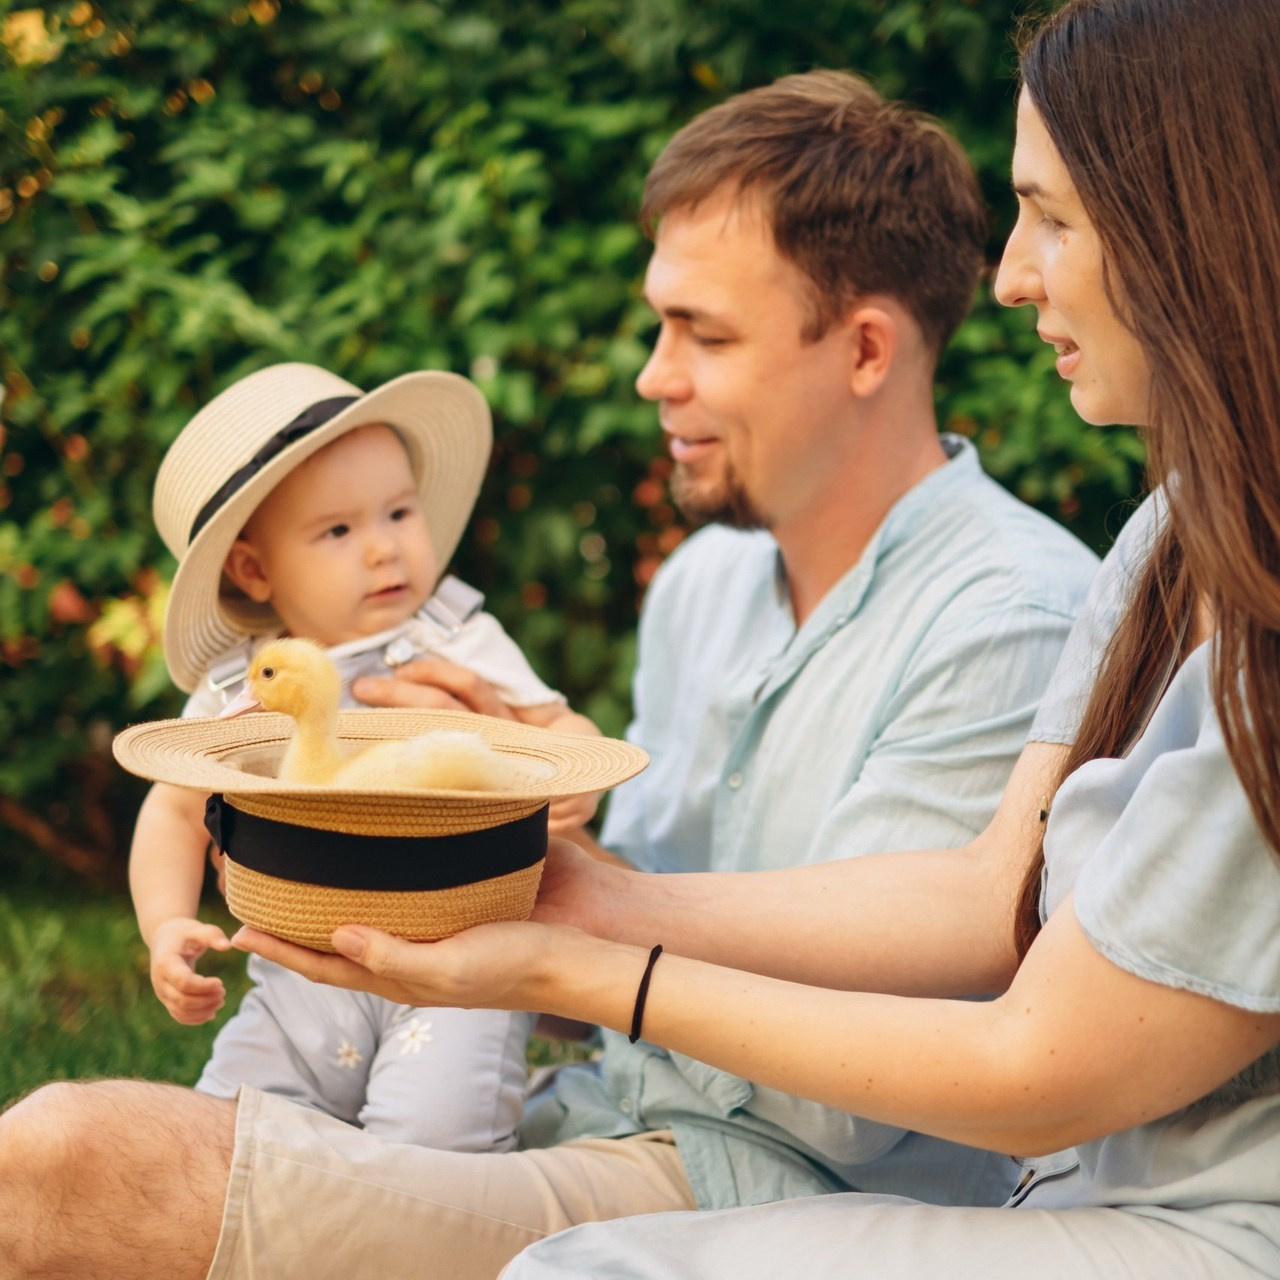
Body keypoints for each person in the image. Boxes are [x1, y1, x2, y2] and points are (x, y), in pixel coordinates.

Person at [0, 71, 1100, 1279]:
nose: (650, 374)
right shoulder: (706, 588)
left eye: (703, 333)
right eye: (657, 322)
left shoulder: (1010, 620)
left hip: (763, 1189)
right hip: (593, 1110)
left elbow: (852, 1096)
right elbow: (622, 956)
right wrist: (463, 828)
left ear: (864, 349)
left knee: (65, 1159)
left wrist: (551, 900)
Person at [239, 0, 1280, 1275]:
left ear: (1196, 216)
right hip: (1051, 1197)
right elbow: (988, 893)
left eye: (1052, 215)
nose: (1012, 274)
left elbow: (1032, 1066)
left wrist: (573, 964)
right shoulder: (1165, 542)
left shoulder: (1046, 601)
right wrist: (578, 878)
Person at [130, 361, 600, 1152]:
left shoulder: (455, 639)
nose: (384, 549)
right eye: (340, 531)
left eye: (399, 512)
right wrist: (164, 924)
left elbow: (555, 723)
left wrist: (570, 768)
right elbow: (174, 809)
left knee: (435, 1143)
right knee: (223, 1140)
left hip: (461, 963)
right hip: (296, 973)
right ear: (254, 568)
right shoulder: (245, 683)